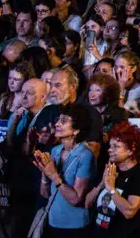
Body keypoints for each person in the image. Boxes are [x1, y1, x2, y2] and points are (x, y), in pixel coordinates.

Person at [85, 120, 140, 238]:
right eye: (110, 145)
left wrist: (111, 189)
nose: (110, 150)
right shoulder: (110, 169)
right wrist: (101, 184)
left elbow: (129, 211)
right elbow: (87, 203)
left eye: (116, 146)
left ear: (131, 149)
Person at [35, 102, 95, 238]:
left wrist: (53, 175)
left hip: (74, 227)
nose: (57, 124)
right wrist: (44, 172)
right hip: (52, 222)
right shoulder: (55, 151)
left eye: (63, 121)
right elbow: (45, 194)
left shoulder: (85, 155)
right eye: (58, 120)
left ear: (76, 130)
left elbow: (75, 199)